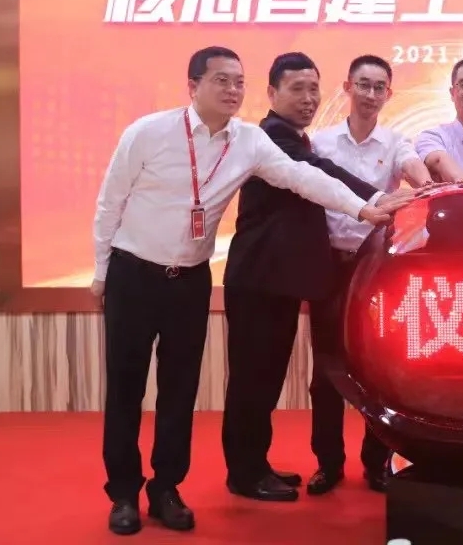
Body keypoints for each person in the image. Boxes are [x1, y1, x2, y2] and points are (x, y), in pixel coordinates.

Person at [92, 46, 395, 536]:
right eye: (221, 80)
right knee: (126, 388)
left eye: (238, 82)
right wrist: (102, 272)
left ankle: (166, 489)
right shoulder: (148, 132)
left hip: (190, 280)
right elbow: (110, 202)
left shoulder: (249, 141)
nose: (233, 90)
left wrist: (364, 207)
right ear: (193, 86)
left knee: (179, 392)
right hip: (133, 273)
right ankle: (123, 493)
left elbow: (303, 177)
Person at [221, 52, 417, 502]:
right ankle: (245, 474)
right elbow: (318, 175)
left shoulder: (294, 136)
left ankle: (254, 465)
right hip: (259, 279)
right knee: (253, 379)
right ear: (272, 93)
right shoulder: (272, 136)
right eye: (297, 89)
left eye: (313, 89)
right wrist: (371, 201)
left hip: (280, 281)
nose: (309, 98)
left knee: (265, 378)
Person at [310, 54, 434, 493]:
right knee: (326, 372)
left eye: (379, 87)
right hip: (328, 266)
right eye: (363, 85)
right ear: (347, 87)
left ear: (388, 94)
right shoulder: (320, 143)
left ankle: (376, 462)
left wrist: (427, 185)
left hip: (377, 270)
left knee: (379, 368)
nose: (370, 94)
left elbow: (416, 170)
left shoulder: (396, 142)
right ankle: (327, 463)